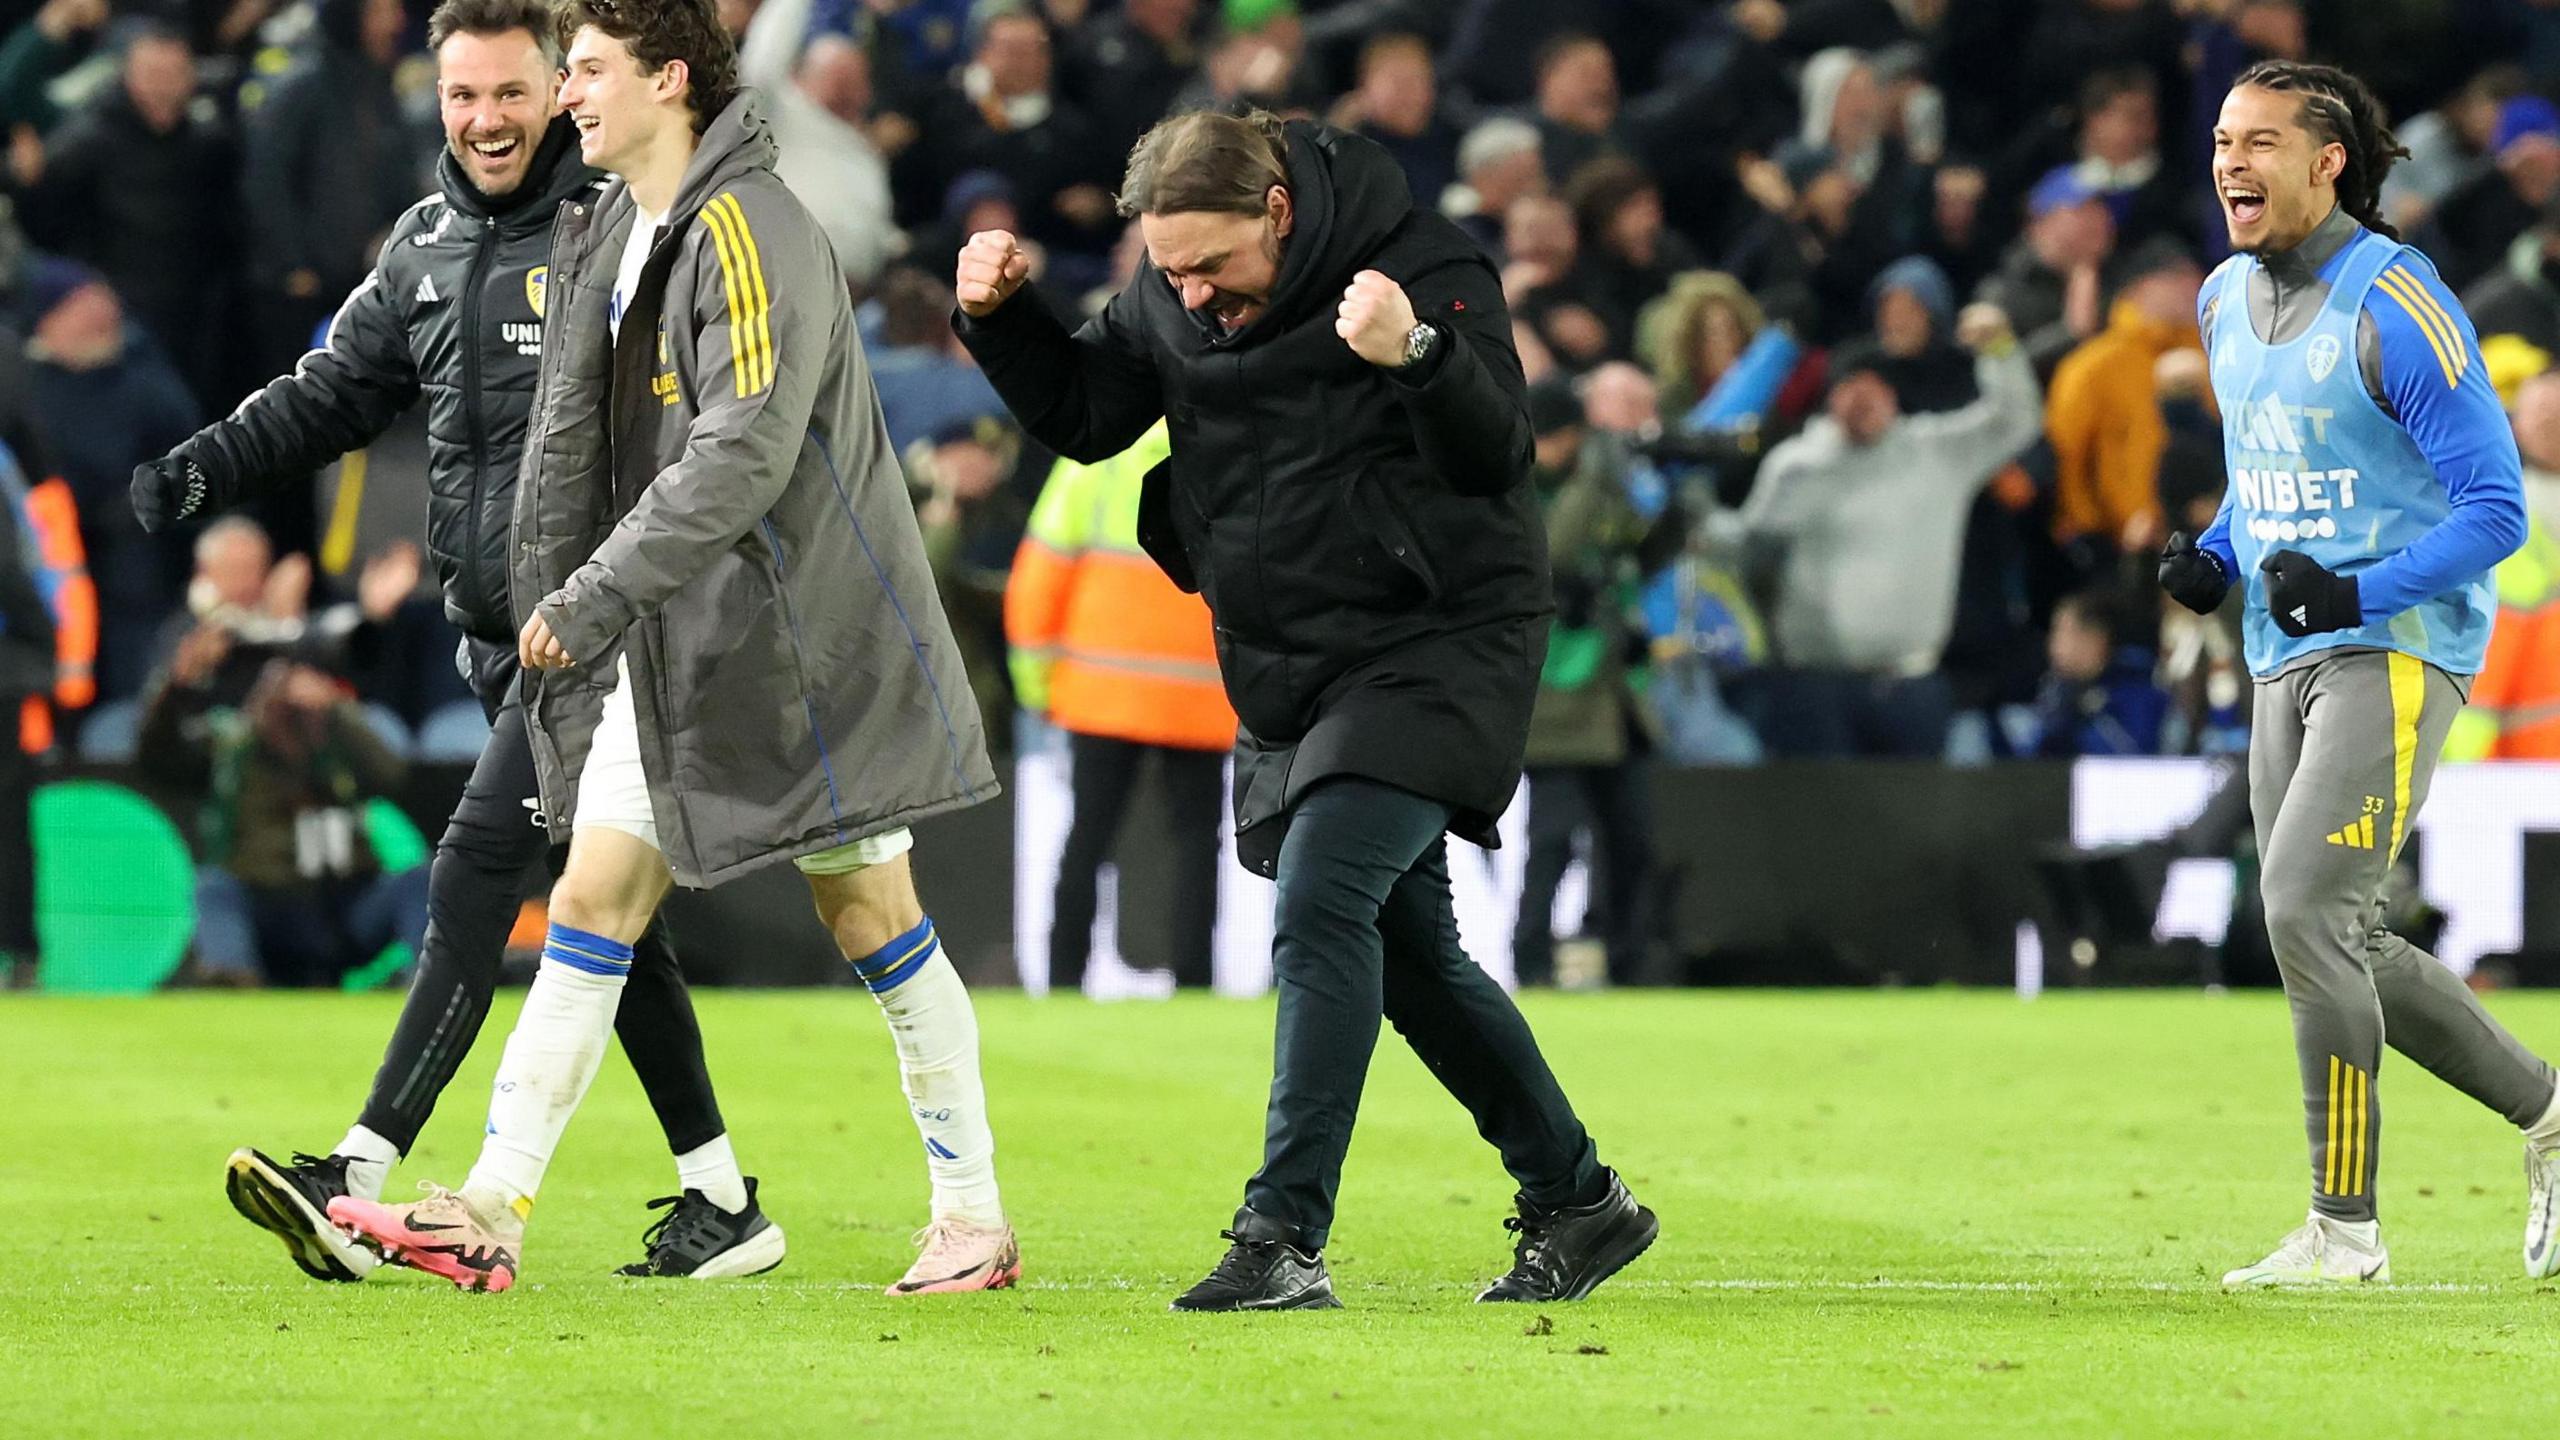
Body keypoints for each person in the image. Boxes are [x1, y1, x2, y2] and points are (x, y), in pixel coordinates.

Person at [324, 0, 1013, 1298]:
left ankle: (972, 1218)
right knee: (592, 902)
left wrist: (587, 596)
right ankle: (490, 1207)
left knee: (872, 915)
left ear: (669, 80)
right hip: (690, 639)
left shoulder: (748, 226)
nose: (567, 94)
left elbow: (743, 449)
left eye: (586, 69)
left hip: (802, 648)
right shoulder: (622, 227)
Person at [954, 106, 1653, 1311]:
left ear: (1277, 211)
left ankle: (1280, 1235)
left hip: (1441, 636)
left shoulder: (1418, 263)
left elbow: (1498, 455)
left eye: (1212, 268)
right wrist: (999, 320)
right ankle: (1579, 1201)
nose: (1192, 296)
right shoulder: (1170, 289)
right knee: (1411, 954)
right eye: (1168, 273)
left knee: (1328, 895)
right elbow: (1088, 418)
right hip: (1291, 655)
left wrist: (1419, 352)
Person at [132, 0, 777, 1286]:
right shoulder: (424, 246)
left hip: (604, 640)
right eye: (460, 97)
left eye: (510, 93)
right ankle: (721, 1200)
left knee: (475, 870)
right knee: (616, 927)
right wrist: (206, 469)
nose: (484, 120)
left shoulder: (621, 231)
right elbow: (333, 394)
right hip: (497, 644)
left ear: (560, 90)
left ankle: (358, 1170)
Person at [2161, 60, 2560, 1287]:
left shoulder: (2400, 303)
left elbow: (2495, 511)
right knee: (2341, 929)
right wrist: (2216, 553)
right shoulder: (2224, 300)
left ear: (2329, 161)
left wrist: (2355, 592)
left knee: (2297, 910)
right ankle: (2550, 1117)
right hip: (2283, 648)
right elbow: (2270, 465)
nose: (2232, 160)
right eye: (2224, 139)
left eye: (2261, 141)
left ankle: (2345, 1230)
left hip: (2393, 646)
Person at [1738, 307, 2041, 758]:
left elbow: (2015, 421)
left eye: (1874, 387)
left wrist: (1999, 352)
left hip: (1912, 682)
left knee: (1915, 823)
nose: (1863, 400)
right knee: (1815, 822)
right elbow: (1753, 550)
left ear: (1893, 395)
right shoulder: (1796, 465)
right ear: (1830, 399)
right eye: (1849, 388)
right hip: (1814, 684)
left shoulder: (1936, 453)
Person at [1005, 421, 1232, 993]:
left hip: (1100, 692)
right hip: (1203, 695)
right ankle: (1196, 983)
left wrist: (1039, 688)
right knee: (1198, 848)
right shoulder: (1233, 448)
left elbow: (1039, 577)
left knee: (1088, 838)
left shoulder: (1099, 457)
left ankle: (1061, 981)